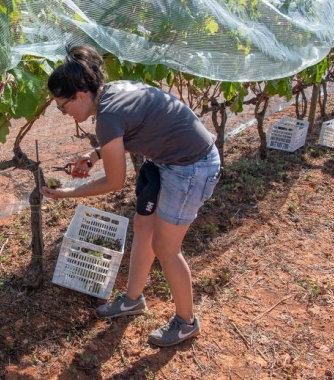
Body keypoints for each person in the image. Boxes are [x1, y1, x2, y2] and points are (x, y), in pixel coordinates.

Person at [41, 45, 221, 347]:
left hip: (191, 167)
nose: (64, 113)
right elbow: (137, 126)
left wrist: (67, 193)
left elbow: (114, 182)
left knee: (165, 246)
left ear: (81, 95)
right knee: (144, 228)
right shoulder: (112, 92)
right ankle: (133, 299)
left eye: (62, 106)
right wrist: (97, 154)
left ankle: (186, 322)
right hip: (168, 160)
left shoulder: (106, 117)